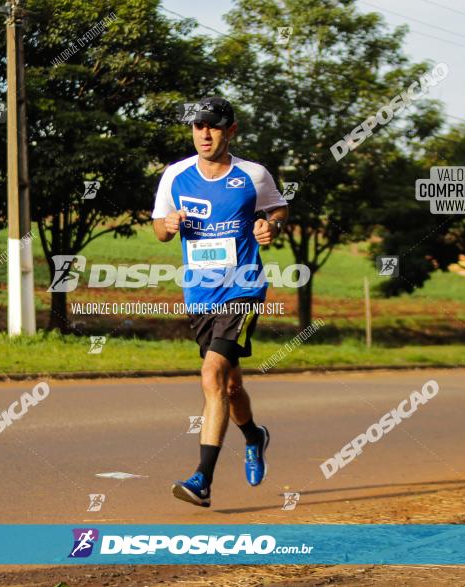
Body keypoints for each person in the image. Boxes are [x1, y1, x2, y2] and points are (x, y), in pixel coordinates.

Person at [152, 96, 289, 507]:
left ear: (230, 130)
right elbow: (158, 228)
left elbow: (278, 209)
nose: (204, 134)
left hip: (243, 288)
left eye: (212, 126)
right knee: (230, 387)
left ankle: (202, 480)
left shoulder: (252, 174)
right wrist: (169, 225)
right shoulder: (175, 176)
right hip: (200, 292)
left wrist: (270, 226)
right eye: (197, 126)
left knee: (211, 374)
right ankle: (254, 435)